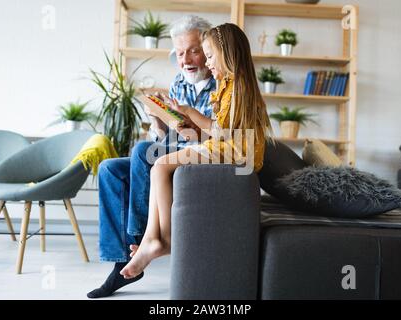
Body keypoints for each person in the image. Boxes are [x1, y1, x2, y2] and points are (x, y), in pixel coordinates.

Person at [120, 23, 273, 280]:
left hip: (236, 153)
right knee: (159, 166)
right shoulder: (229, 85)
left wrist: (190, 113)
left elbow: (224, 134)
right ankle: (151, 239)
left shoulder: (238, 87)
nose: (208, 62)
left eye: (210, 56)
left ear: (228, 54)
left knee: (160, 166)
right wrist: (182, 120)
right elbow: (219, 131)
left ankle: (166, 240)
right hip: (228, 148)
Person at [87, 15, 215, 299]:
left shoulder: (220, 84)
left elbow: (219, 140)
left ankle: (144, 238)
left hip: (200, 157)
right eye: (180, 53)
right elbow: (167, 139)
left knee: (142, 151)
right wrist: (157, 122)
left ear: (207, 49)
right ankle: (122, 257)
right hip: (174, 150)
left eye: (193, 51)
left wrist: (189, 127)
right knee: (110, 169)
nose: (185, 59)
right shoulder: (180, 82)